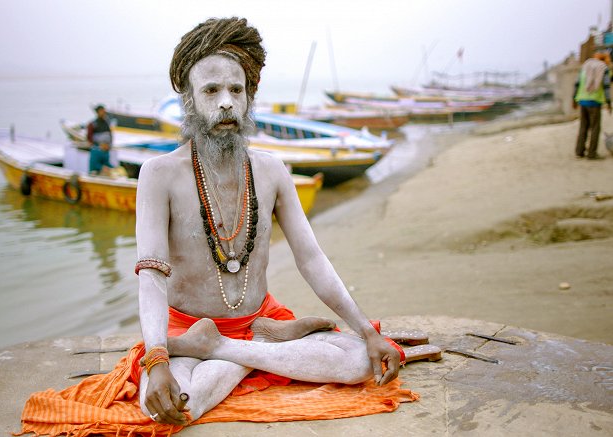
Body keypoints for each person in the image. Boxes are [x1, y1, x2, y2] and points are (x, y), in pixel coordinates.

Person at [133, 17, 440, 426]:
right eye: (211, 90)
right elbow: (151, 273)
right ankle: (244, 350)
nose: (226, 102)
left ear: (249, 97)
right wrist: (156, 360)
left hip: (262, 320)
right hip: (180, 331)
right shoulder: (158, 174)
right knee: (170, 408)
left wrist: (366, 330)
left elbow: (311, 258)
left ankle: (220, 348)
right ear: (189, 99)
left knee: (358, 363)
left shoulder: (273, 170)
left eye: (236, 90)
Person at [573, 51, 612, 160]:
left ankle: (579, 151)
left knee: (583, 126)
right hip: (594, 102)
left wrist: (574, 99)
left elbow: (577, 83)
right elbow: (606, 87)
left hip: (582, 100)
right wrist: (609, 103)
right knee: (595, 127)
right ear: (604, 59)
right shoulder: (603, 68)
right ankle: (592, 153)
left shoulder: (585, 66)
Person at [86, 104, 115, 174]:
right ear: (98, 112)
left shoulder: (106, 123)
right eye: (102, 111)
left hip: (105, 151)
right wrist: (99, 146)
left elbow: (110, 136)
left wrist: (108, 146)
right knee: (95, 170)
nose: (103, 113)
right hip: (97, 150)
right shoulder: (92, 124)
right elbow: (89, 138)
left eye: (104, 111)